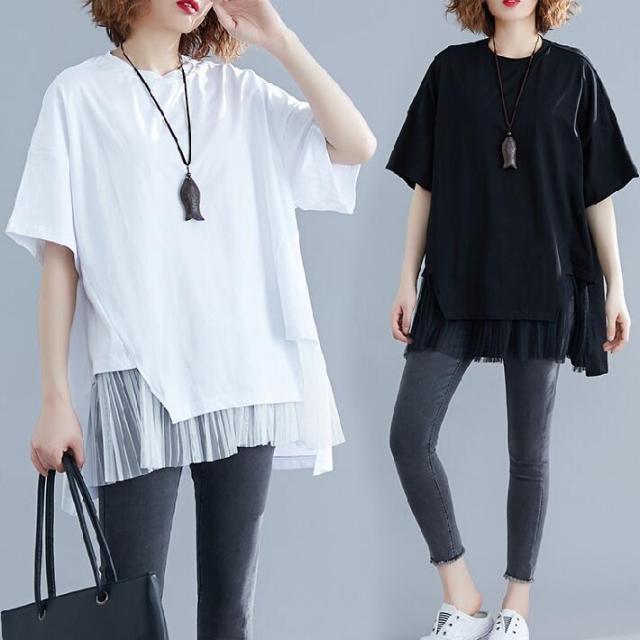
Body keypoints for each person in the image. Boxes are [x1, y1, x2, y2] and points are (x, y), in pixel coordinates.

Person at [5, 0, 376, 637]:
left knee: (230, 612)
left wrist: (280, 40)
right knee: (130, 609)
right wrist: (55, 398)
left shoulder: (238, 93)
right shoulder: (78, 96)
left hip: (246, 374)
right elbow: (59, 259)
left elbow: (355, 145)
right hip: (138, 375)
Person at [386, 1, 637, 638]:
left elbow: (597, 192)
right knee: (409, 438)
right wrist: (407, 278)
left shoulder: (575, 75)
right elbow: (425, 185)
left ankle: (516, 606)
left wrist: (617, 287)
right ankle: (461, 592)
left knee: (528, 455)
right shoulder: (450, 72)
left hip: (542, 285)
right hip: (457, 278)